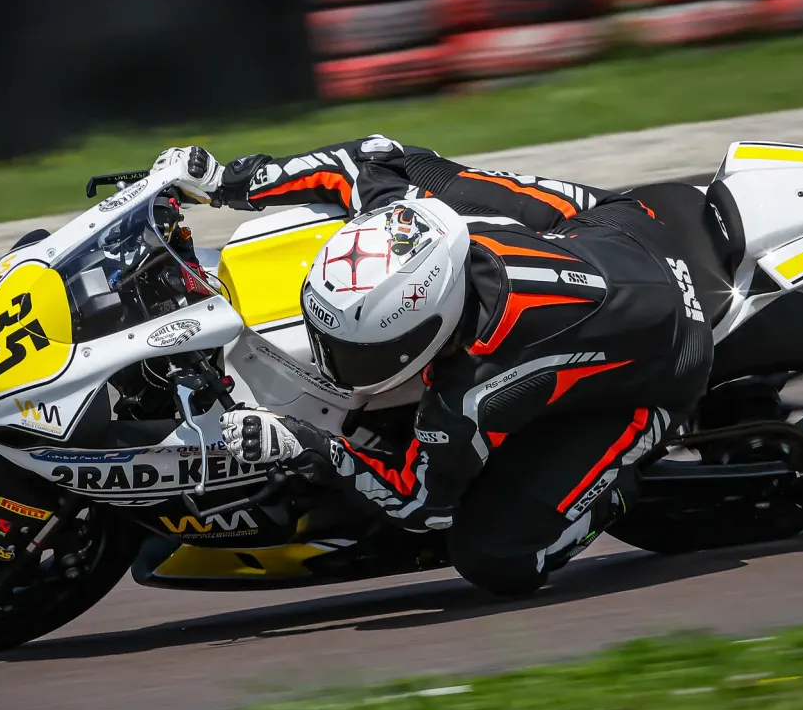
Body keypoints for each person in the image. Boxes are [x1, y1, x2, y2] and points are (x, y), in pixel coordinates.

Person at [150, 136, 715, 597]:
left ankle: (616, 489)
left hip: (668, 360)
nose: (334, 361)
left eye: (357, 351)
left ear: (433, 328)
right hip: (619, 222)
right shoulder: (426, 220)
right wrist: (225, 181)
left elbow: (419, 504)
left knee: (494, 558)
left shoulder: (469, 393)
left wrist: (306, 444)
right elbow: (364, 159)